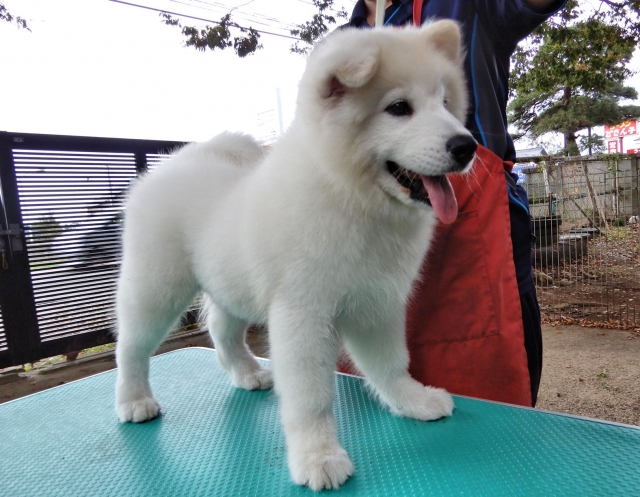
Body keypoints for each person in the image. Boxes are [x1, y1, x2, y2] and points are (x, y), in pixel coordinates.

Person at [346, 0, 568, 407]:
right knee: (371, 410)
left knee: (493, 415)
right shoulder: (345, 43)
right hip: (368, 247)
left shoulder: (466, 5)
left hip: (480, 236)